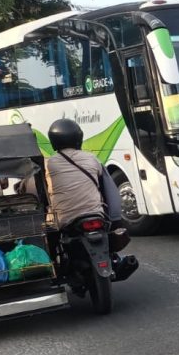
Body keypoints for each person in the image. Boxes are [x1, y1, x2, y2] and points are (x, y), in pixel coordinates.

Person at [44, 118, 138, 281]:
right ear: (79, 138)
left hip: (65, 220)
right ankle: (113, 258)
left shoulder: (49, 164)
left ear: (53, 142)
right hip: (96, 214)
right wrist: (116, 220)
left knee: (49, 236)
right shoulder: (92, 159)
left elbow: (33, 190)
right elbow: (110, 190)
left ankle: (52, 269)